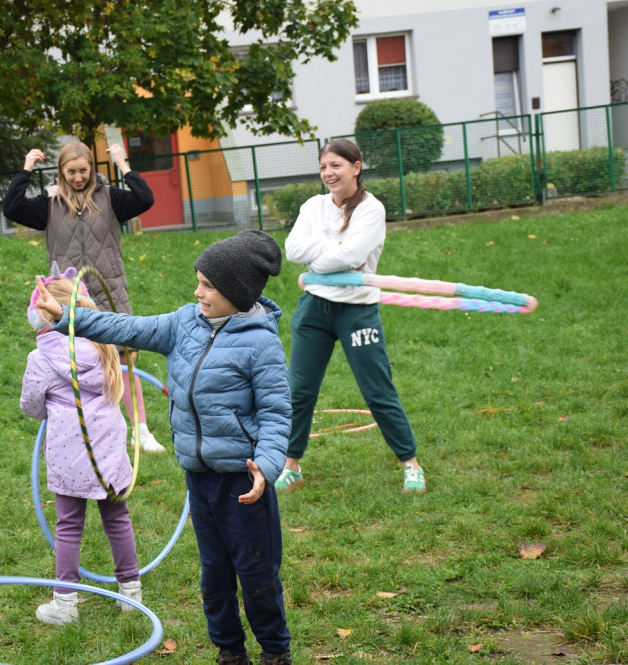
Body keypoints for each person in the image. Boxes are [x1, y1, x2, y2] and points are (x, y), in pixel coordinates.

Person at [33, 230, 293, 665]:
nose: (198, 291)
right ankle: (229, 652)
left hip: (244, 480)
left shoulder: (260, 342)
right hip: (200, 476)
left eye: (208, 285)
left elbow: (276, 412)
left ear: (236, 292)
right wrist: (68, 316)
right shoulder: (184, 322)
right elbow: (125, 327)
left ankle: (274, 652)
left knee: (256, 573)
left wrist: (266, 466)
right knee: (214, 575)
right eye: (199, 281)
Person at [273, 139, 425, 494]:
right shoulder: (313, 207)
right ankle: (291, 466)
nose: (328, 173)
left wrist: (324, 258)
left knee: (377, 390)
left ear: (356, 167)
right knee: (299, 391)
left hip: (357, 311)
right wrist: (334, 254)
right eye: (324, 167)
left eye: (336, 166)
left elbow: (354, 253)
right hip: (315, 309)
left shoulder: (371, 210)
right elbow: (293, 250)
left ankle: (411, 463)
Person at [3, 141, 166, 455]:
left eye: (83, 171)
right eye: (71, 172)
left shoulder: (109, 197)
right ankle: (95, 429)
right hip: (69, 298)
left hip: (109, 291)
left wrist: (123, 163)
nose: (78, 178)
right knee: (79, 364)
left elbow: (145, 198)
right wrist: (26, 168)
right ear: (61, 172)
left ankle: (141, 431)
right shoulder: (48, 205)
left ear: (92, 169)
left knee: (123, 360)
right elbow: (11, 208)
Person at [20, 272, 142, 626]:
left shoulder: (40, 357)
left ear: (42, 314)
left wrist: (50, 408)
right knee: (118, 519)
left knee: (69, 525)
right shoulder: (103, 346)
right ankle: (130, 593)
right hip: (110, 449)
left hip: (68, 452)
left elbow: (30, 406)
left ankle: (66, 602)